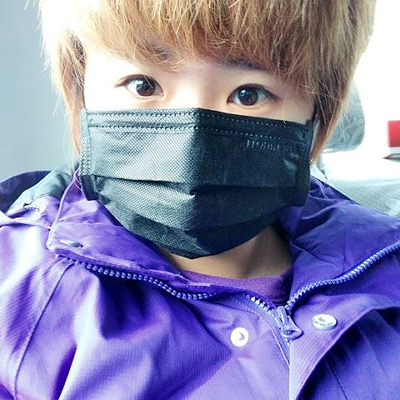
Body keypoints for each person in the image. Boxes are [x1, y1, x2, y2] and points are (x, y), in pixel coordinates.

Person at [0, 0, 399, 399]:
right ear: (81, 86)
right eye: (143, 85)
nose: (192, 147)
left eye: (249, 94)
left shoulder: (386, 262)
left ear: (317, 114)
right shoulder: (18, 293)